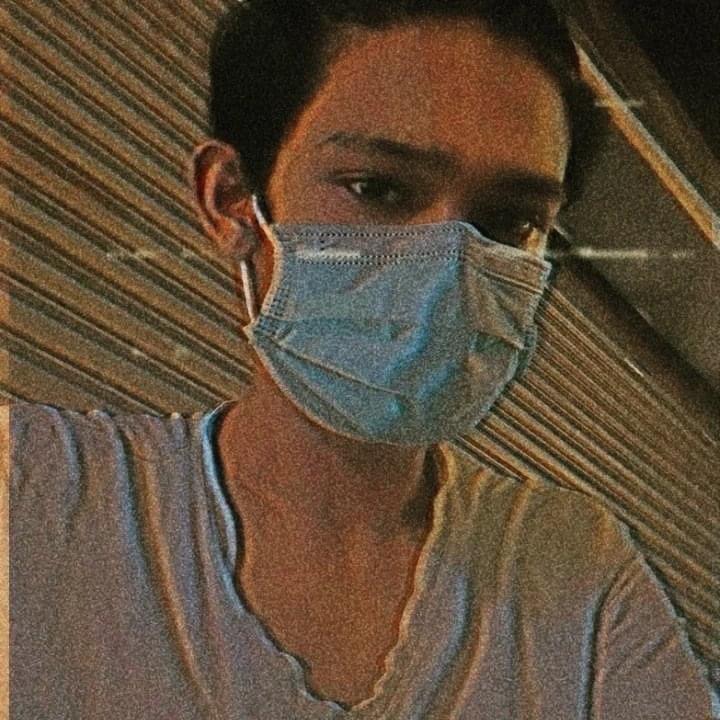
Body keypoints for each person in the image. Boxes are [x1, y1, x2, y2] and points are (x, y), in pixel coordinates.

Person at [6, 1, 717, 718]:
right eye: (377, 188)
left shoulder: (572, 574)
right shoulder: (33, 493)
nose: (446, 269)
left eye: (509, 221)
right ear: (233, 200)